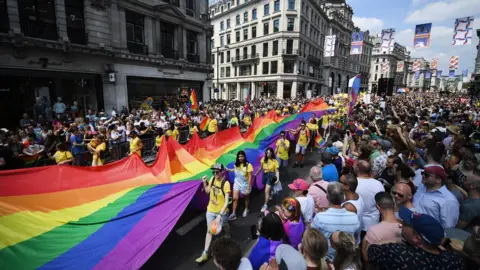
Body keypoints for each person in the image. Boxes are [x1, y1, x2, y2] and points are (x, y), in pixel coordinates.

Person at [367, 207, 465, 270]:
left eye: (405, 224)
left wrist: (391, 240)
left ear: (417, 237)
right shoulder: (455, 260)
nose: (401, 225)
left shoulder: (397, 253)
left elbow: (370, 250)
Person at [311, 182, 360, 259]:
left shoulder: (319, 218)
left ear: (327, 197)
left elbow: (312, 238)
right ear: (343, 197)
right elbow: (356, 240)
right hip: (346, 259)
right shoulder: (354, 217)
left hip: (327, 259)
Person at [196, 163, 231, 264]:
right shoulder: (212, 179)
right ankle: (205, 253)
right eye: (214, 172)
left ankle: (228, 235)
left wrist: (220, 216)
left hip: (221, 212)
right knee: (209, 230)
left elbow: (226, 201)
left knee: (225, 225)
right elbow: (207, 191)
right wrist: (204, 183)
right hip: (210, 210)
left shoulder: (226, 183)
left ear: (222, 172)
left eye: (217, 172)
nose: (215, 174)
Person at [361, 192, 402, 262]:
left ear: (377, 207)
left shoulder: (373, 230)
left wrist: (364, 242)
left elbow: (366, 258)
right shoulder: (405, 227)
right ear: (394, 205)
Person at [354, 160, 384, 233]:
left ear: (357, 169)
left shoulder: (353, 184)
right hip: (373, 223)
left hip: (357, 222)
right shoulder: (378, 184)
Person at [226, 150, 253, 220]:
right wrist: (228, 169)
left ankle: (246, 209)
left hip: (245, 184)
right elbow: (235, 170)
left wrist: (248, 188)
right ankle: (233, 213)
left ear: (244, 157)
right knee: (235, 198)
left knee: (246, 198)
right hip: (237, 182)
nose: (240, 158)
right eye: (239, 156)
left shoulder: (248, 165)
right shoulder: (236, 164)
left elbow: (250, 177)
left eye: (242, 156)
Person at [255, 147, 280, 212]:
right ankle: (271, 191)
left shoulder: (275, 161)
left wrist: (277, 179)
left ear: (272, 153)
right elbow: (260, 167)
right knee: (266, 187)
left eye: (270, 152)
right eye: (267, 152)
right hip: (265, 175)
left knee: (266, 191)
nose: (268, 154)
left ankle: (265, 205)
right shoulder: (263, 159)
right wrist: (256, 174)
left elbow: (277, 171)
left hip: (271, 176)